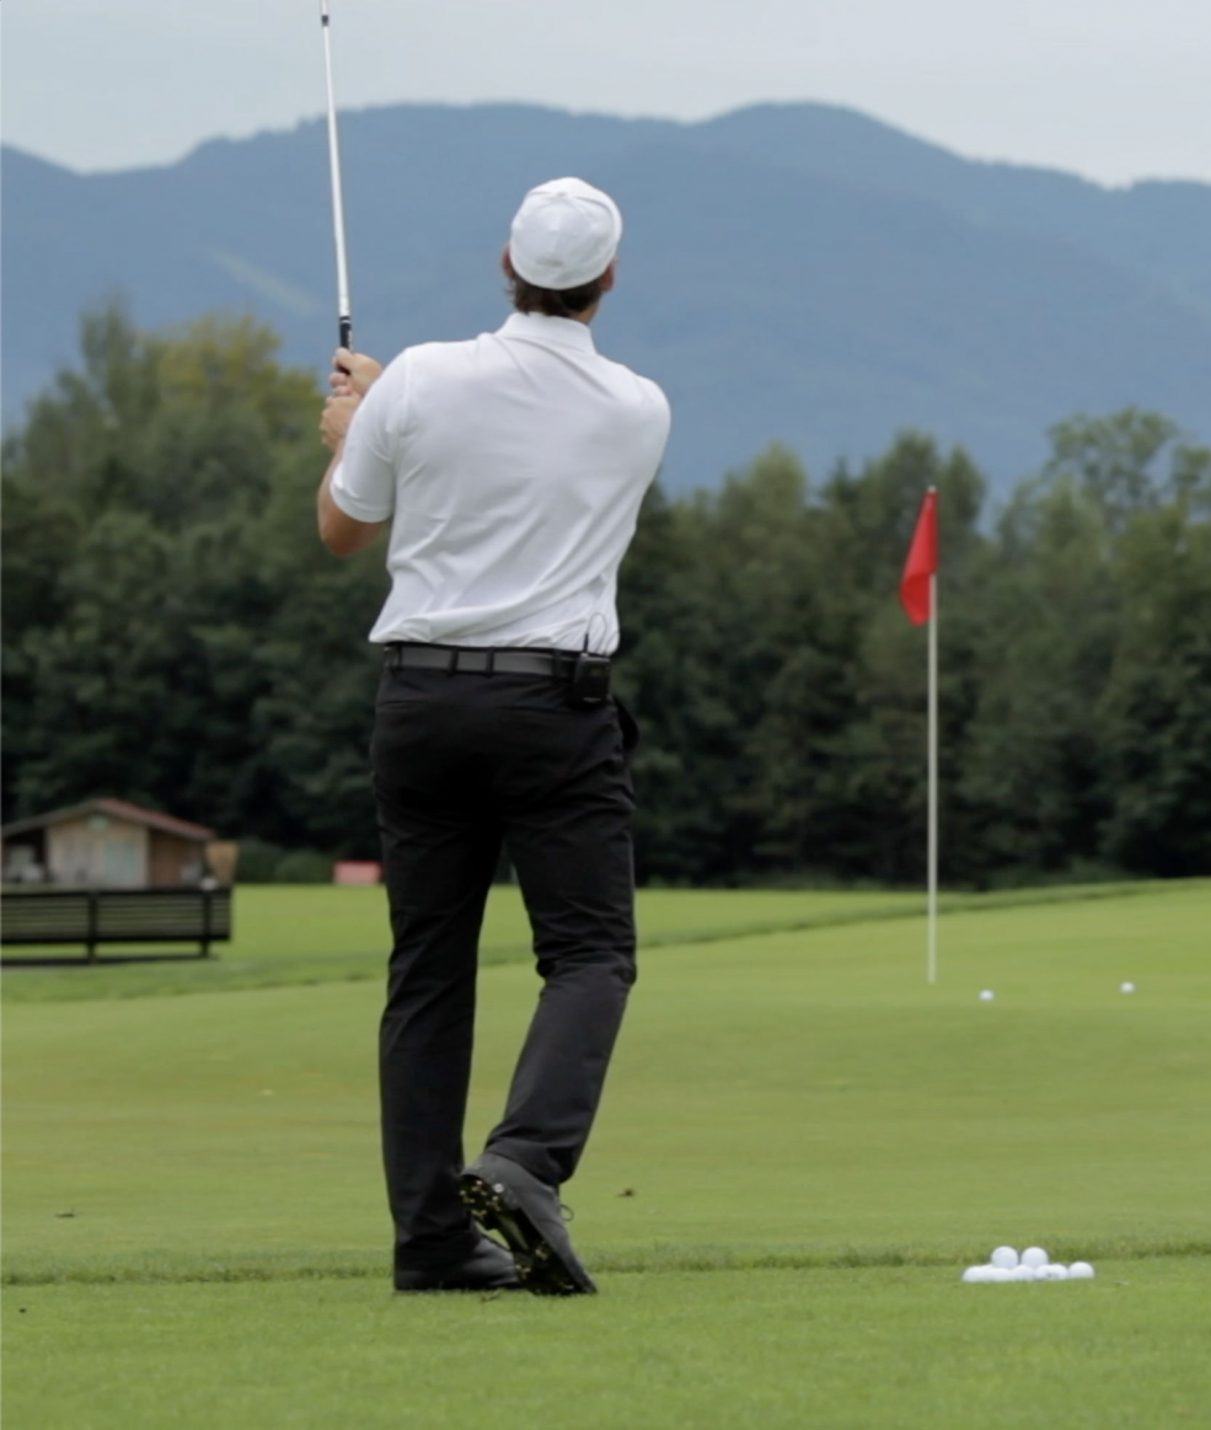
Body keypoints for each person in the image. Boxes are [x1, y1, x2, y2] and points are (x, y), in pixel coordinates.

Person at [316, 177, 670, 1295]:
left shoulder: (414, 377)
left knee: (428, 968)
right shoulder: (637, 408)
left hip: (419, 700)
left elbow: (340, 528)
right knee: (590, 953)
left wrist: (349, 431)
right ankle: (524, 1160)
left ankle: (429, 1238)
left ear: (503, 262)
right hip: (551, 708)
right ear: (606, 280)